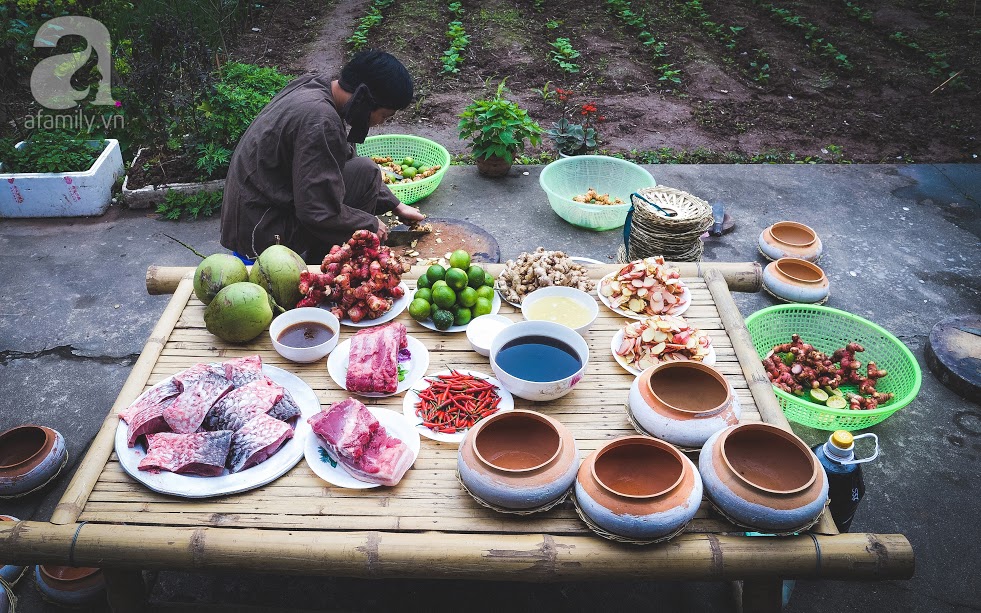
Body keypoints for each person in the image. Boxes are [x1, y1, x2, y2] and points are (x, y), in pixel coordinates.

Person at [220, 50, 426, 264]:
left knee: (366, 172)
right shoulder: (320, 120)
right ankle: (325, 269)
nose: (381, 122)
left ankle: (325, 254)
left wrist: (396, 205)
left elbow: (342, 158)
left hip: (259, 211)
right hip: (261, 230)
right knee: (353, 211)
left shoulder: (317, 86)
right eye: (383, 115)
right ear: (363, 100)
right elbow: (316, 211)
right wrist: (368, 224)